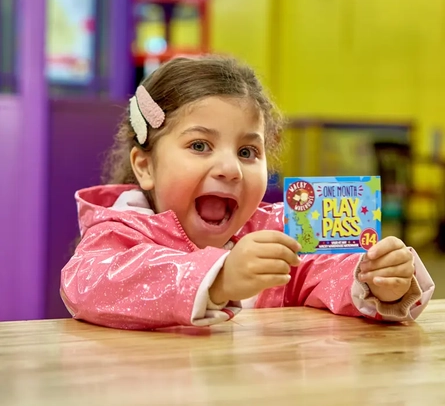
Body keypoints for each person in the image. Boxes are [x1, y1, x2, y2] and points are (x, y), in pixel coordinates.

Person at [60, 55, 435, 330]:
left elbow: (320, 271)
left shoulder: (274, 230)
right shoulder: (117, 232)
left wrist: (376, 281)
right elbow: (88, 282)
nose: (230, 168)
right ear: (145, 166)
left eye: (247, 152)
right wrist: (220, 280)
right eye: (200, 146)